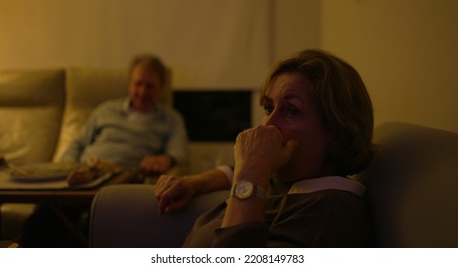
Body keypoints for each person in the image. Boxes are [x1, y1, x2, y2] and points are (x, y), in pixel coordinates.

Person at [154, 49, 374, 247]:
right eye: (269, 108)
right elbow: (232, 172)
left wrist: (250, 172)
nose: (267, 124)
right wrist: (194, 183)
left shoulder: (329, 213)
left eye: (292, 111)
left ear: (336, 131)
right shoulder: (285, 177)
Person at [17, 54, 189, 247]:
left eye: (150, 85)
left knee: (90, 227)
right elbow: (76, 144)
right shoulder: (105, 110)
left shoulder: (171, 119)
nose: (142, 91)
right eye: (137, 83)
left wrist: (164, 159)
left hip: (123, 181)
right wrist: (68, 168)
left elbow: (178, 151)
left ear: (161, 89)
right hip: (82, 176)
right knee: (41, 220)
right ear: (129, 84)